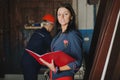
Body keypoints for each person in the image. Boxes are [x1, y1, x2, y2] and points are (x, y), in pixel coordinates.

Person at [40, 3, 83, 80]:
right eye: (59, 14)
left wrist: (58, 69)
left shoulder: (73, 35)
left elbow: (77, 63)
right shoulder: (58, 34)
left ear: (71, 17)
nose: (62, 17)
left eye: (65, 14)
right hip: (53, 75)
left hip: (64, 77)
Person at [21, 14, 55, 80]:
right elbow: (53, 50)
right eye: (52, 25)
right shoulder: (46, 35)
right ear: (49, 24)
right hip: (31, 64)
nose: (53, 27)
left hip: (25, 60)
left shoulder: (37, 32)